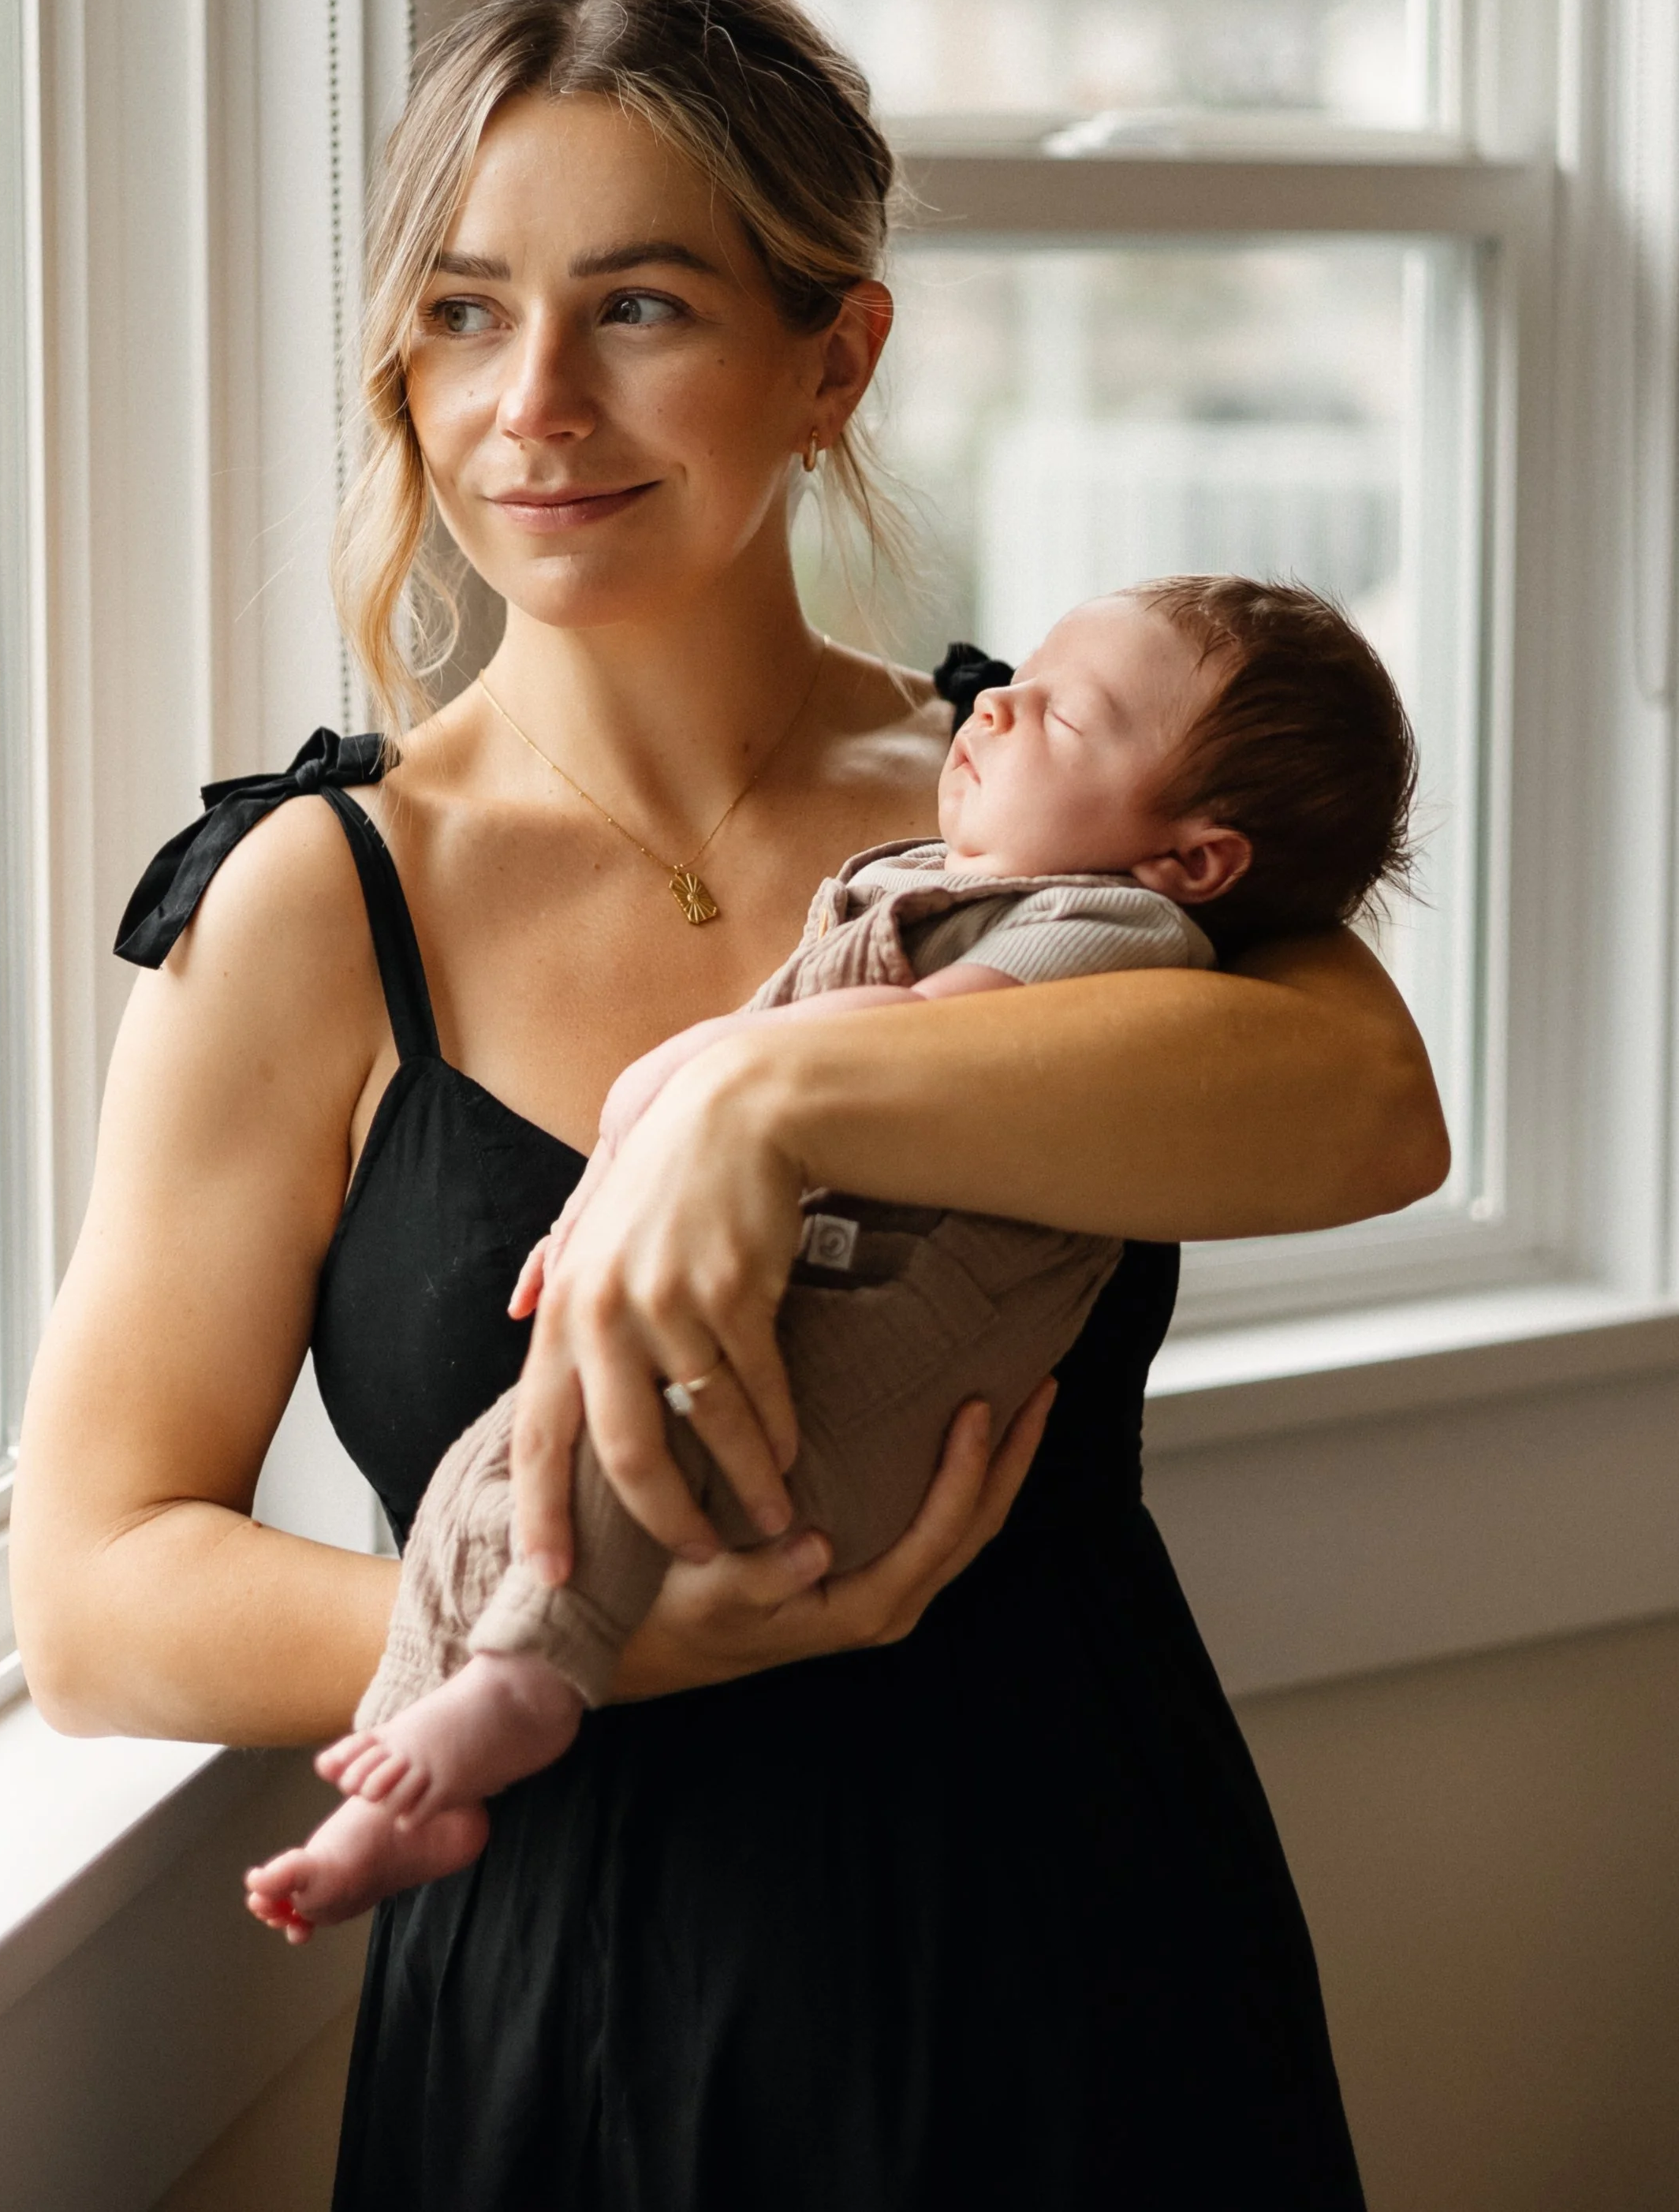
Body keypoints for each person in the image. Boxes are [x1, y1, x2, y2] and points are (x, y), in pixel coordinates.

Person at [10, 0, 1446, 2210]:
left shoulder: (1042, 799)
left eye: (642, 305)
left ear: (832, 352)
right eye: (464, 309)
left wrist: (765, 1105)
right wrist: (643, 1641)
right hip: (574, 2012)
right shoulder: (313, 900)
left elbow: (1369, 1112)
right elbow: (92, 1604)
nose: (532, 405)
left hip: (1082, 1959)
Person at [241, 575, 1416, 1934]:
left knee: (642, 1445)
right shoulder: (914, 876)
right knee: (486, 1482)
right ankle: (419, 1770)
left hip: (890, 1434)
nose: (1000, 700)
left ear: (1198, 860)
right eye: (1020, 672)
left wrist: (699, 1094)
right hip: (599, 1908)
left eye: (1068, 715)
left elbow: (909, 1044)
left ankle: (521, 1684)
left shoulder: (1119, 930)